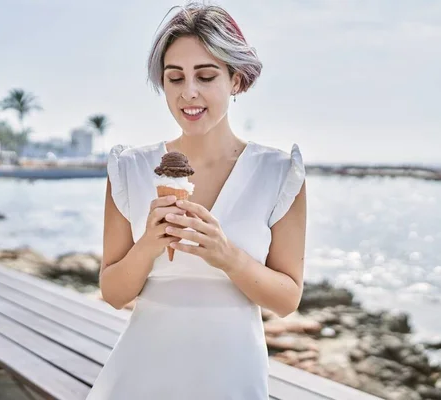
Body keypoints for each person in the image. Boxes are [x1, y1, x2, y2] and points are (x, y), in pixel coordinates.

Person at [87, 3, 307, 399]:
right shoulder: (129, 169)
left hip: (234, 378)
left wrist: (227, 255)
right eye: (175, 78)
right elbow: (114, 293)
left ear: (236, 80)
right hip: (141, 376)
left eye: (206, 76)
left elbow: (288, 299)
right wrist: (148, 245)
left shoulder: (278, 173)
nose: (189, 92)